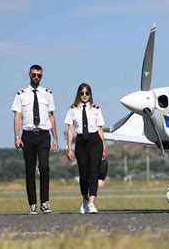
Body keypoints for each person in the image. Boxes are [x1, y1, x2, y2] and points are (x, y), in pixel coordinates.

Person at [11, 64, 58, 215]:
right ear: (29, 75)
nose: (36, 77)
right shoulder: (21, 94)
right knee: (30, 171)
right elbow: (17, 116)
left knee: (44, 167)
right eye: (34, 75)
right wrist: (17, 136)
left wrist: (55, 138)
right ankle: (32, 203)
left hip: (44, 135)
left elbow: (51, 116)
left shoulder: (48, 94)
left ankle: (44, 202)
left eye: (39, 75)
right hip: (28, 135)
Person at [65, 83, 107, 214]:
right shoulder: (72, 109)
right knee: (83, 175)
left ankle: (92, 203)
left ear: (90, 95)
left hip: (95, 142)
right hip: (81, 142)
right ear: (78, 94)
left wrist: (104, 148)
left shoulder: (96, 109)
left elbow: (100, 129)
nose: (84, 96)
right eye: (82, 93)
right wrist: (69, 148)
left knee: (93, 173)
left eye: (87, 93)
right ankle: (84, 199)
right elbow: (70, 130)